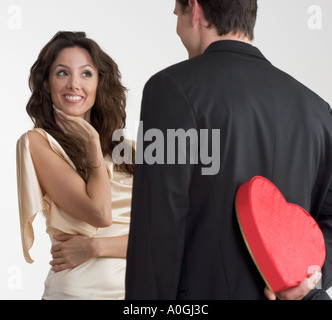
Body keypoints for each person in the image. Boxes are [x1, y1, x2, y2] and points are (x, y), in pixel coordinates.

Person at [125, 0, 332, 300]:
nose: (176, 25)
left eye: (177, 13)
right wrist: (306, 279)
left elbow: (157, 233)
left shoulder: (170, 88)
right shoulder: (316, 109)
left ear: (194, 10)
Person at [16, 31, 134, 300]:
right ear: (46, 83)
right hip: (76, 294)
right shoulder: (36, 143)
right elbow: (100, 213)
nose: (74, 84)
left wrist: (95, 247)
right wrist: (92, 145)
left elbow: (162, 240)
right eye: (62, 73)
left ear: (99, 83)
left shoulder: (131, 152)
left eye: (86, 74)